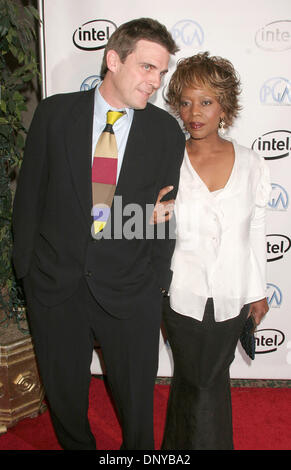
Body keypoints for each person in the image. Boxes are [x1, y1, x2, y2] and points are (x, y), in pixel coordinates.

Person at [12, 18, 185, 450]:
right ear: (113, 60)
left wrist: (156, 281)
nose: (155, 82)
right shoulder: (54, 114)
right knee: (66, 398)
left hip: (130, 290)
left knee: (137, 407)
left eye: (161, 73)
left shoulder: (165, 131)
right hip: (55, 287)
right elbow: (28, 196)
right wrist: (27, 270)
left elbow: (164, 215)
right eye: (147, 68)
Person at [159, 52, 271, 450]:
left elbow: (256, 228)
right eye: (186, 102)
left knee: (207, 380)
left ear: (224, 105)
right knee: (196, 379)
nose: (194, 112)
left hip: (232, 296)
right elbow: (138, 224)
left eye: (206, 101)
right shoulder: (167, 161)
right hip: (180, 295)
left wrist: (257, 289)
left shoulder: (253, 163)